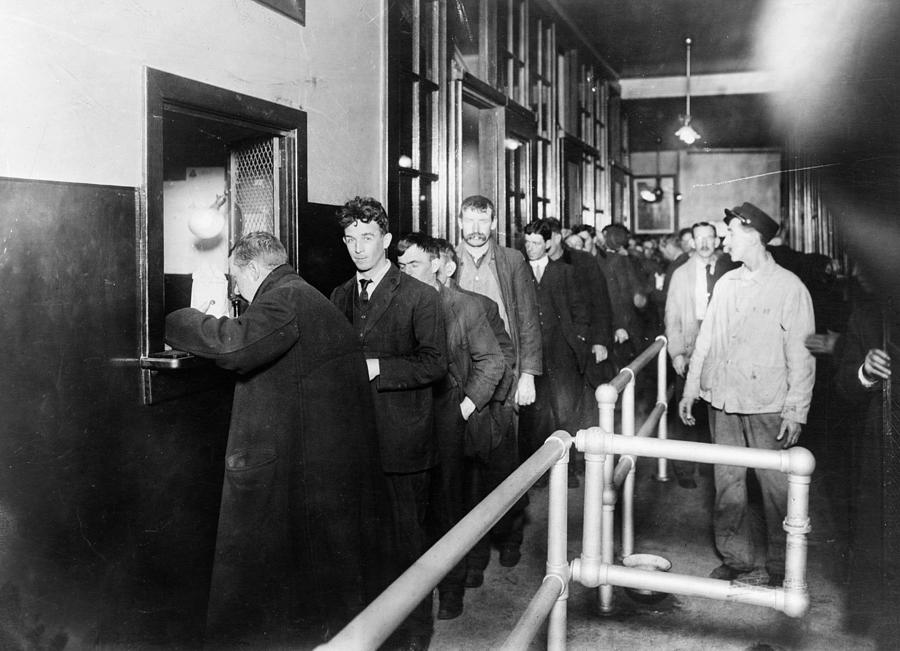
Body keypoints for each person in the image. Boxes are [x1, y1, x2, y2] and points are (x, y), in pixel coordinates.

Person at [165, 232, 385, 645]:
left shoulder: (283, 298)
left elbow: (234, 346)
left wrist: (179, 317)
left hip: (306, 470)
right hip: (326, 467)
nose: (237, 290)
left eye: (235, 279)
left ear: (253, 269)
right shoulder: (305, 294)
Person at [678, 202, 816, 587]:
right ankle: (736, 558)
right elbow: (705, 341)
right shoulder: (726, 283)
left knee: (775, 488)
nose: (725, 240)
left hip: (767, 403)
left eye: (731, 234)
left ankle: (781, 564)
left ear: (754, 237)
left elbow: (802, 355)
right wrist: (693, 389)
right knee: (728, 483)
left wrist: (796, 410)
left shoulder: (790, 288)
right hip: (722, 401)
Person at [330, 197, 447, 651]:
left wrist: (380, 368)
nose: (359, 248)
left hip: (403, 443)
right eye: (351, 239)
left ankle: (416, 634)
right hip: (354, 443)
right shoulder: (339, 295)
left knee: (406, 545)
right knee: (362, 546)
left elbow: (435, 364)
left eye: (368, 237)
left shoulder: (420, 295)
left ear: (387, 240)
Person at [396, 233, 505, 621]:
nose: (406, 272)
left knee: (449, 507)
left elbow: (493, 361)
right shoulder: (398, 302)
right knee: (412, 512)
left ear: (438, 266)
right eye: (402, 265)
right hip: (407, 417)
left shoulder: (462, 306)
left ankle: (452, 588)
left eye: (415, 265)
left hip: (446, 416)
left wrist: (462, 409)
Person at [454, 194, 542, 579]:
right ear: (459, 222)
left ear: (493, 223)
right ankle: (473, 551)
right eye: (468, 221)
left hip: (505, 376)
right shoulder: (448, 261)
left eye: (482, 221)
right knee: (465, 468)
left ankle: (510, 536)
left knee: (504, 464)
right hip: (465, 378)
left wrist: (528, 375)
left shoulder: (512, 261)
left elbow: (527, 319)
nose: (475, 229)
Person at [519, 219, 590, 467]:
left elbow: (581, 311)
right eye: (527, 242)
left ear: (548, 243)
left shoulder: (565, 272)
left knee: (566, 412)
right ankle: (539, 470)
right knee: (536, 415)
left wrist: (578, 341)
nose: (530, 248)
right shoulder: (519, 272)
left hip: (563, 355)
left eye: (536, 243)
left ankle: (569, 468)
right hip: (532, 356)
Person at [664, 221, 725, 488]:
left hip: (721, 348)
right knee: (686, 410)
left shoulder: (729, 268)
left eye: (709, 238)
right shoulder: (681, 274)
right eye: (698, 238)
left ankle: (714, 468)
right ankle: (685, 470)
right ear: (691, 242)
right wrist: (676, 352)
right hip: (690, 345)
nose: (703, 243)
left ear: (717, 240)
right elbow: (672, 317)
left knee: (717, 409)